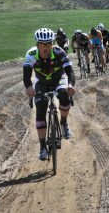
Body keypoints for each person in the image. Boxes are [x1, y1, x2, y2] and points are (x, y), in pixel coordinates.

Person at [24, 28, 76, 160]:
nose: (45, 47)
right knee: (40, 107)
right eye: (42, 44)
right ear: (37, 45)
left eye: (48, 44)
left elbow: (70, 71)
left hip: (59, 79)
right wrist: (29, 87)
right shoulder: (31, 54)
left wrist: (70, 85)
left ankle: (63, 123)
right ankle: (42, 147)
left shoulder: (59, 52)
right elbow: (26, 75)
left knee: (64, 94)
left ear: (52, 44)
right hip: (41, 81)